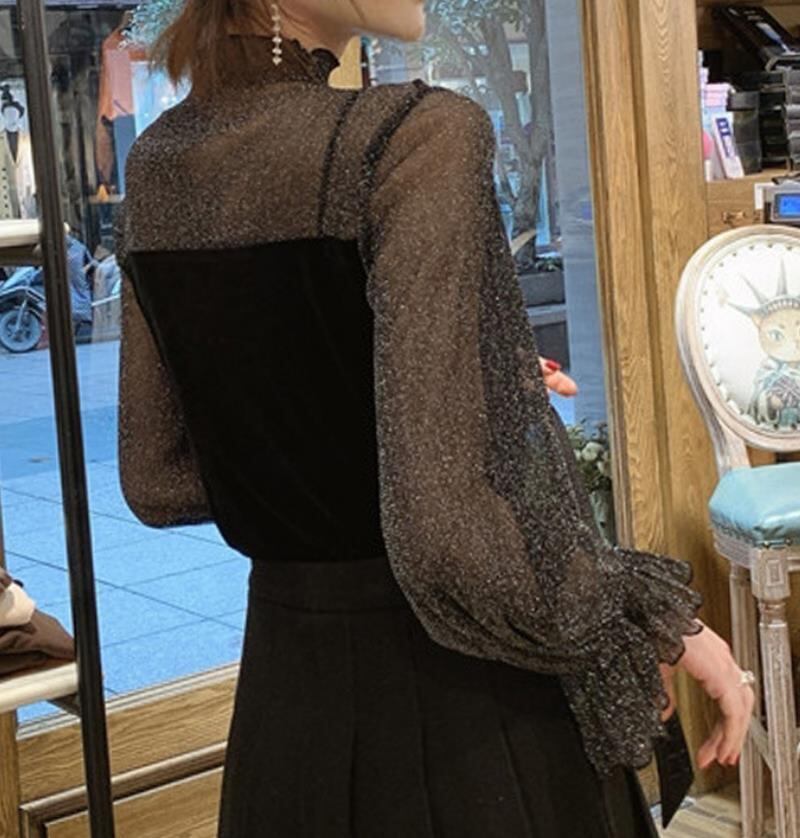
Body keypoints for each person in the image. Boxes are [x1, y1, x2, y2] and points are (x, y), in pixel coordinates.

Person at [114, 1, 755, 835]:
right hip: (464, 722)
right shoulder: (415, 137)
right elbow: (445, 533)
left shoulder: (158, 162)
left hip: (286, 712)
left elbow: (158, 479)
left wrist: (430, 398)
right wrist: (654, 620)